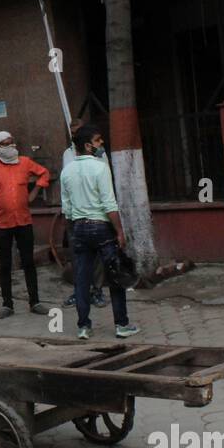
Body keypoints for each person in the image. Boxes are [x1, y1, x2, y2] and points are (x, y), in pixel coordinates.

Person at [60, 124, 138, 340]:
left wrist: (75, 228)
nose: (101, 144)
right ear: (87, 146)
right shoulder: (100, 167)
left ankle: (83, 326)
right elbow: (109, 205)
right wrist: (120, 230)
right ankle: (121, 325)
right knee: (115, 275)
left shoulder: (67, 171)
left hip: (79, 228)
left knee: (82, 279)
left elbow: (66, 208)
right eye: (98, 141)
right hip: (102, 227)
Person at [0, 130, 51, 318]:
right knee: (5, 264)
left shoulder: (24, 162)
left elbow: (44, 173)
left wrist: (34, 192)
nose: (10, 147)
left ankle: (35, 301)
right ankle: (7, 304)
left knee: (28, 262)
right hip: (2, 223)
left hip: (24, 221)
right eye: (5, 144)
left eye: (11, 142)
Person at [60, 119, 106, 309]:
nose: (75, 135)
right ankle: (80, 292)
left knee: (97, 256)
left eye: (78, 131)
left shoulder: (99, 156)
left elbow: (105, 186)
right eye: (72, 132)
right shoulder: (67, 154)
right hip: (75, 214)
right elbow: (66, 184)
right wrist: (67, 214)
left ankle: (98, 291)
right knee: (78, 255)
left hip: (96, 212)